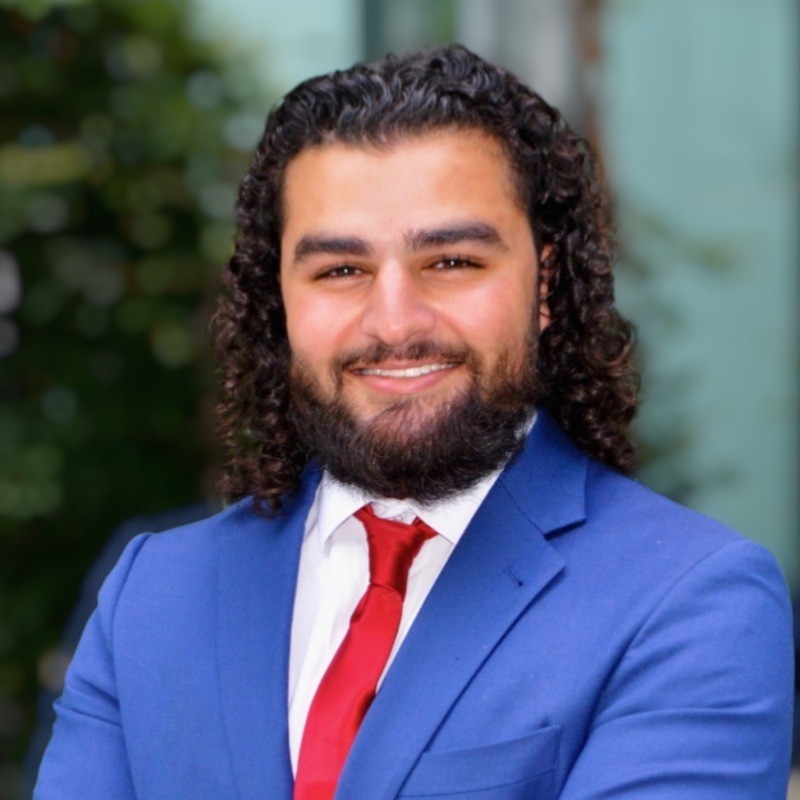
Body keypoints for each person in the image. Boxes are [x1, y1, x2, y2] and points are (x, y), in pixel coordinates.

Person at [34, 45, 793, 799]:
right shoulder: (152, 595)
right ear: (280, 301)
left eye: (452, 261)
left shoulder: (691, 602)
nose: (394, 323)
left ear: (544, 288)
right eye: (340, 270)